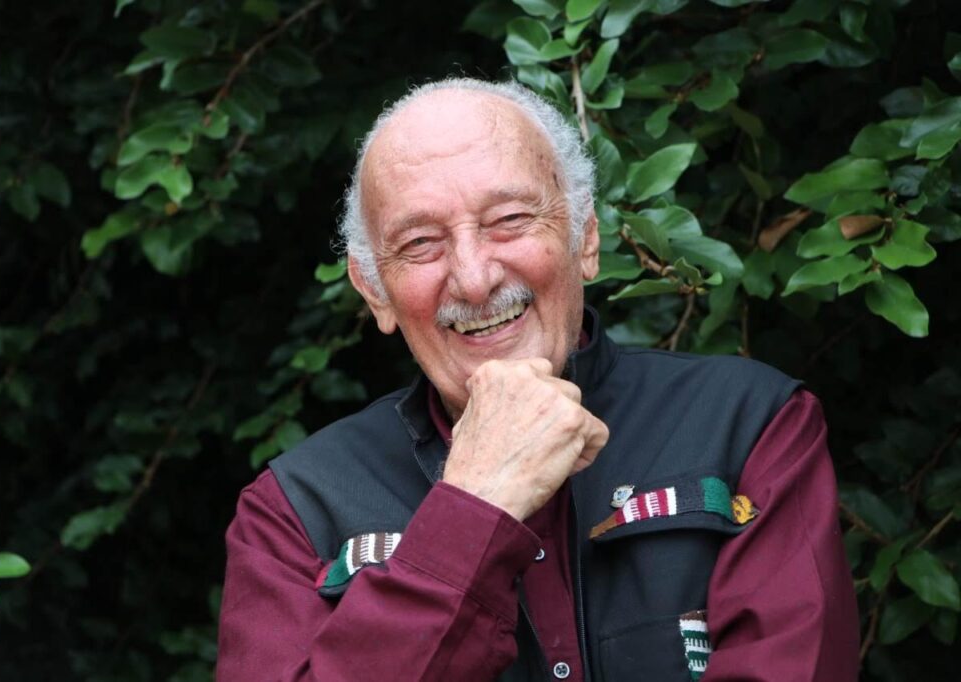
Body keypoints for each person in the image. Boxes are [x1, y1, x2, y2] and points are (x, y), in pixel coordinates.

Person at [217, 78, 859, 681]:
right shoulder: (295, 511)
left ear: (586, 237)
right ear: (374, 290)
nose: (475, 279)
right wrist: (476, 505)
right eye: (420, 243)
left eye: (510, 220)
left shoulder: (749, 425)